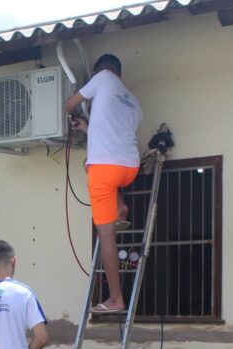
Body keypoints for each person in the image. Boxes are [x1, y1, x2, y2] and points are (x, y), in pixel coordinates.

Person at [65, 53, 143, 313]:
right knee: (88, 162)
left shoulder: (102, 78)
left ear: (100, 71)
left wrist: (73, 110)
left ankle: (116, 299)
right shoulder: (133, 102)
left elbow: (69, 104)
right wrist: (87, 127)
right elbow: (112, 134)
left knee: (106, 236)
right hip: (130, 167)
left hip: (105, 171)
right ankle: (120, 206)